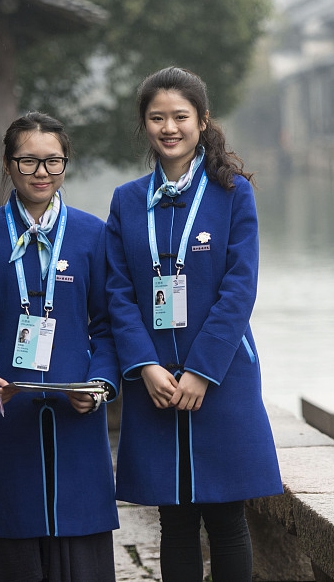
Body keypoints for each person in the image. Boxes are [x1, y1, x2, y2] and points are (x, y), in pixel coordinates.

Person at [105, 67, 283, 581]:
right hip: (155, 380)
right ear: (144, 124)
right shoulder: (127, 200)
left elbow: (239, 289)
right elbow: (118, 293)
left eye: (180, 116)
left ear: (202, 121)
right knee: (175, 520)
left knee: (227, 518)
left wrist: (202, 370)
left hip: (222, 376)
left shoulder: (233, 193)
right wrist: (145, 366)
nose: (169, 128)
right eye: (157, 117)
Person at [0, 112, 120, 582]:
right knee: (12, 547)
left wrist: (100, 385)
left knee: (80, 554)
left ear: (65, 163)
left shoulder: (93, 234)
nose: (41, 172)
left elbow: (108, 327)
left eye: (52, 161)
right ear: (8, 164)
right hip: (8, 417)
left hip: (76, 419)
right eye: (28, 161)